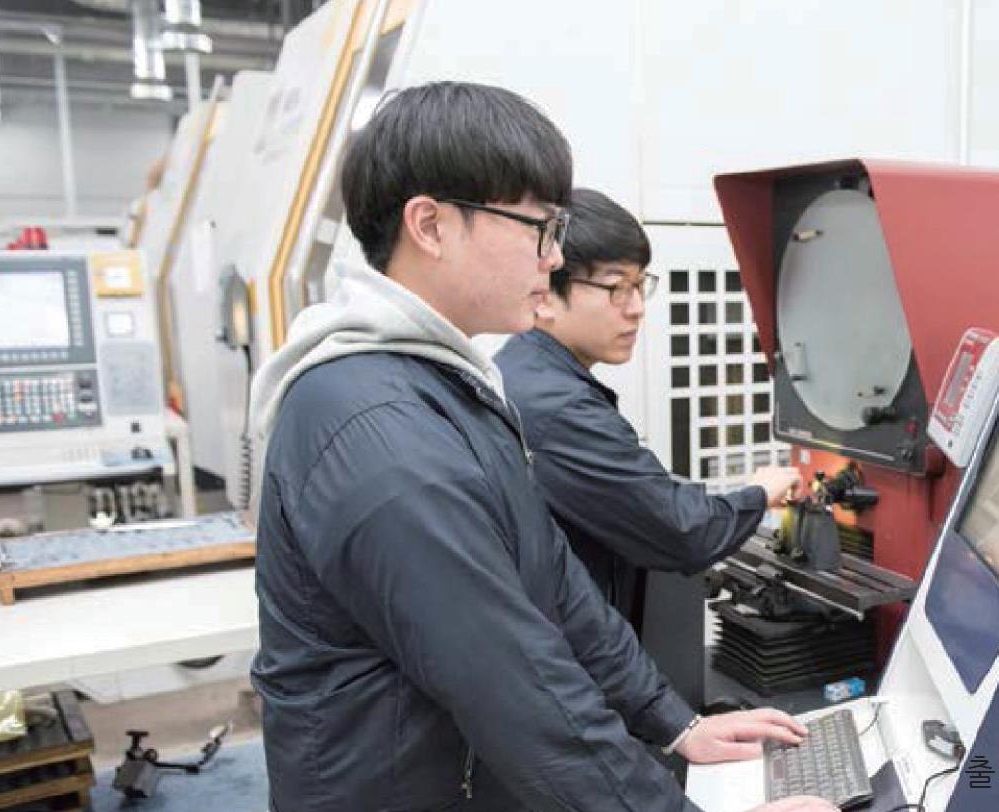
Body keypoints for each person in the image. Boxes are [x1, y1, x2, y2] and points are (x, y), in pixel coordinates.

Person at [247, 81, 835, 812]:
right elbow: (513, 686)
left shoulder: (450, 386)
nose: (551, 258)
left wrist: (674, 723)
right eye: (538, 229)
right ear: (429, 225)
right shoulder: (378, 429)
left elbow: (557, 589)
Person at [497, 189, 800, 634]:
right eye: (616, 287)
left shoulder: (522, 369)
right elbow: (681, 531)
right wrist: (758, 492)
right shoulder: (559, 408)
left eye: (640, 285)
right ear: (545, 294)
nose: (637, 308)